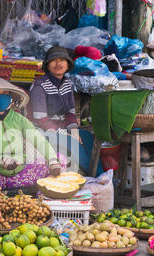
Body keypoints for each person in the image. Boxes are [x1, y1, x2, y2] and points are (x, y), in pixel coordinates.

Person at [0, 77, 66, 191]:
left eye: (5, 92)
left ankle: (40, 195)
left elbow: (39, 140)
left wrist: (52, 160)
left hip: (22, 175)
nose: (1, 95)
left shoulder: (18, 119)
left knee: (60, 159)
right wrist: (1, 161)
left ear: (10, 97)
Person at [29, 45, 103, 176]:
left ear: (68, 65)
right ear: (47, 65)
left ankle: (101, 174)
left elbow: (70, 112)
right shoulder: (39, 86)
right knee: (74, 144)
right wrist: (64, 133)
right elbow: (41, 120)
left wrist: (73, 130)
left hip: (62, 128)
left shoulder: (67, 84)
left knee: (89, 138)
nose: (58, 63)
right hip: (43, 131)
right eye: (54, 60)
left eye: (62, 60)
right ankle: (97, 176)